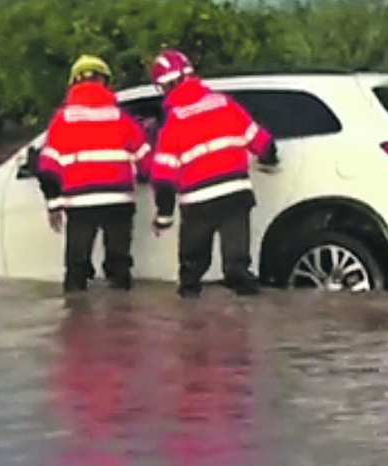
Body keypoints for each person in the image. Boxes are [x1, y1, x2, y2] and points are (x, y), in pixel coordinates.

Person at [147, 48, 279, 298]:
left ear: (166, 86)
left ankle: (191, 314)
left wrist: (164, 216)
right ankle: (249, 312)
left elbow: (163, 178)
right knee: (237, 268)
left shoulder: (175, 121)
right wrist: (270, 161)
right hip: (235, 195)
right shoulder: (225, 104)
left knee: (191, 273)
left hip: (198, 203)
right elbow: (263, 143)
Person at [37, 55, 152, 293]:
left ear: (73, 83)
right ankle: (123, 309)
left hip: (79, 203)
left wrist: (54, 205)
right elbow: (147, 161)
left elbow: (47, 169)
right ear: (106, 82)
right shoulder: (122, 118)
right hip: (119, 201)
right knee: (119, 264)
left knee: (77, 265)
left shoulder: (62, 121)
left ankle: (76, 310)